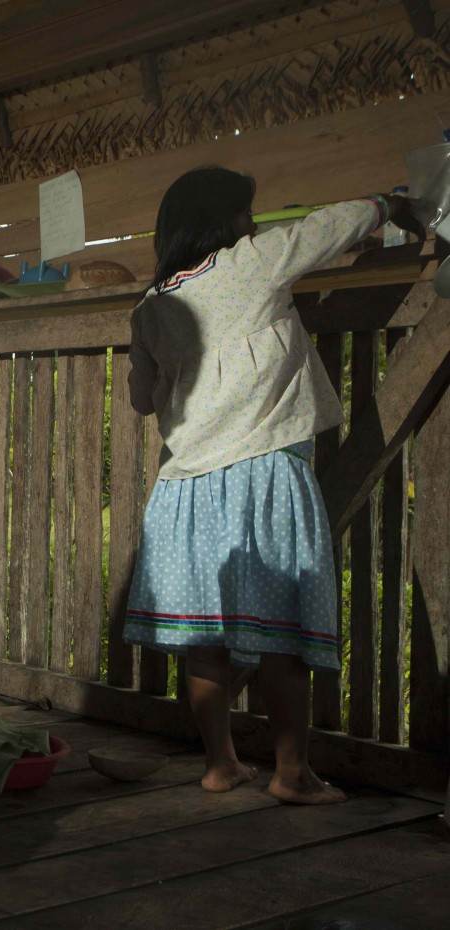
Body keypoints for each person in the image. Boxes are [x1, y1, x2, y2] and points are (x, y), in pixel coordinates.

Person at [123, 167, 421, 804]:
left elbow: (143, 401)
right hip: (264, 477)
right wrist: (387, 203)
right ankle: (292, 774)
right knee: (283, 637)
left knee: (202, 642)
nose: (253, 226)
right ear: (223, 222)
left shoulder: (149, 308)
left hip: (186, 493)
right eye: (245, 216)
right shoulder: (252, 263)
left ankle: (220, 765)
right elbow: (327, 228)